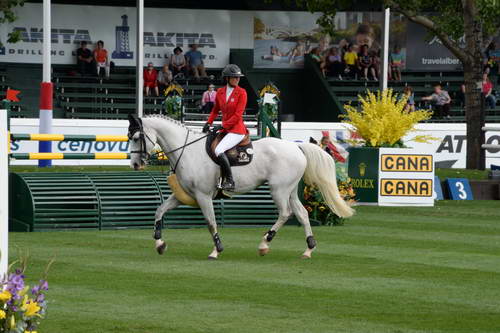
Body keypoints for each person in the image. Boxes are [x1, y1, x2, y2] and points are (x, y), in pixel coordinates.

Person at [202, 64, 248, 191]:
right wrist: (209, 123)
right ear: (227, 78)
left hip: (236, 130)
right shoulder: (220, 92)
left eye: (239, 77)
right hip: (225, 129)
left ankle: (230, 181)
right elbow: (215, 110)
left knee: (218, 150)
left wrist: (222, 125)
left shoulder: (242, 93)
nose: (237, 79)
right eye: (235, 77)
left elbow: (238, 115)